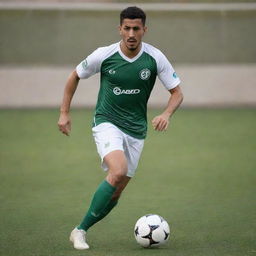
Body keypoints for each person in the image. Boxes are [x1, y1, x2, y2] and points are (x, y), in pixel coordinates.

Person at [58, 6, 183, 250]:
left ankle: (79, 228)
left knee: (117, 190)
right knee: (118, 171)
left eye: (136, 28)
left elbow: (177, 92)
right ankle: (81, 232)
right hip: (107, 122)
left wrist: (167, 113)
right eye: (127, 28)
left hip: (136, 130)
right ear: (120, 29)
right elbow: (75, 75)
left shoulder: (155, 58)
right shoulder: (104, 55)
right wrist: (64, 112)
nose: (131, 33)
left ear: (144, 30)